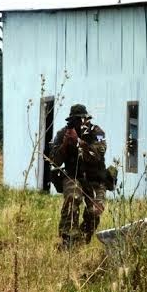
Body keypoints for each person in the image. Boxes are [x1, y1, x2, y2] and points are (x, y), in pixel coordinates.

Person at [49, 104, 108, 249]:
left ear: (87, 119)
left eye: (82, 120)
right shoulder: (63, 134)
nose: (80, 123)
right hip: (74, 176)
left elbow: (98, 154)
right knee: (72, 197)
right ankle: (68, 239)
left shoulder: (97, 132)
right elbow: (54, 161)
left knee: (94, 211)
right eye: (76, 120)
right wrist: (65, 145)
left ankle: (82, 238)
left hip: (95, 179)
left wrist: (79, 143)